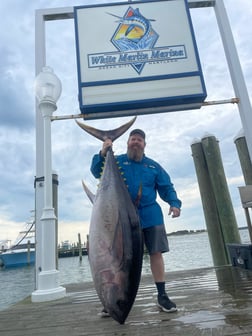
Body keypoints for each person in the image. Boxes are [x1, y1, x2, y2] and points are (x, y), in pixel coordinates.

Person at [90, 129, 182, 315]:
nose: (136, 143)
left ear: (144, 145)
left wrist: (174, 203)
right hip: (120, 219)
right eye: (133, 139)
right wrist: (103, 152)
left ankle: (162, 296)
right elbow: (96, 172)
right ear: (127, 143)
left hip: (149, 216)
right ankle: (112, 297)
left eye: (139, 140)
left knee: (156, 253)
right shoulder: (117, 162)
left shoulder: (153, 167)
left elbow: (166, 187)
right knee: (115, 256)